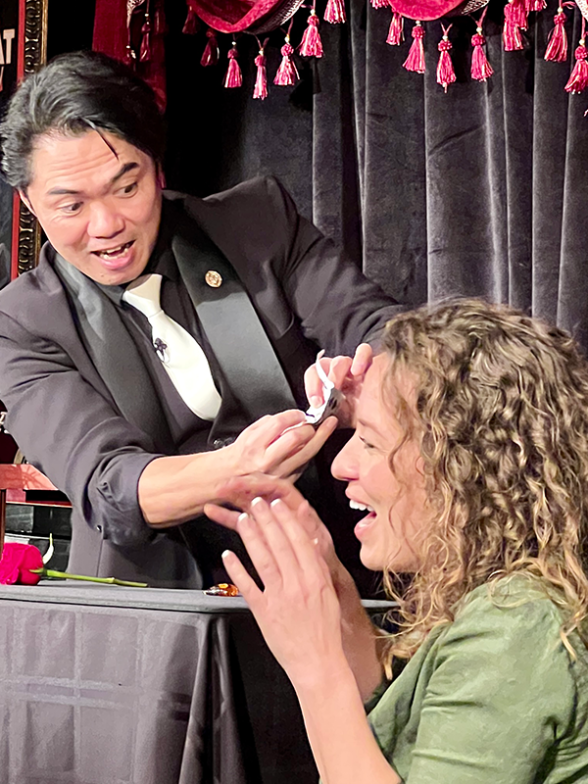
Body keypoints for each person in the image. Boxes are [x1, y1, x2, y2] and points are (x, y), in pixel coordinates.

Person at [0, 50, 402, 589]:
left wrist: (362, 378)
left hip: (342, 567)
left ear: (156, 165)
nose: (106, 226)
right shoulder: (21, 322)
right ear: (28, 200)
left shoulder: (257, 225)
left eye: (127, 187)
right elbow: (107, 481)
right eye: (70, 206)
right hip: (165, 613)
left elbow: (381, 329)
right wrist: (234, 470)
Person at [205, 298, 588, 783]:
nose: (341, 466)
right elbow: (395, 742)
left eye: (369, 440)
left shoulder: (516, 624)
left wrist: (315, 666)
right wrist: (335, 592)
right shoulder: (505, 603)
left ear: (461, 468)